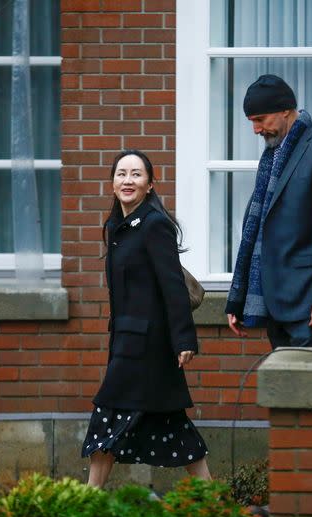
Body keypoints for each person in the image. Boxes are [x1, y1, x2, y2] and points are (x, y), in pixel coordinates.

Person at [82, 149, 211, 488]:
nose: (128, 180)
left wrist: (183, 340)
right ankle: (214, 504)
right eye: (122, 173)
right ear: (112, 183)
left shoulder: (155, 225)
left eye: (136, 174)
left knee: (107, 416)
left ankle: (85, 502)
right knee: (173, 426)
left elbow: (173, 287)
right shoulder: (117, 227)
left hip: (147, 346)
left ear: (150, 185)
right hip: (127, 341)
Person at [225, 74, 312, 348]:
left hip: (311, 307)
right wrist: (239, 298)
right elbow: (260, 227)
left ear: (285, 109)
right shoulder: (272, 156)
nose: (256, 129)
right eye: (251, 122)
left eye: (261, 119)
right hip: (276, 306)